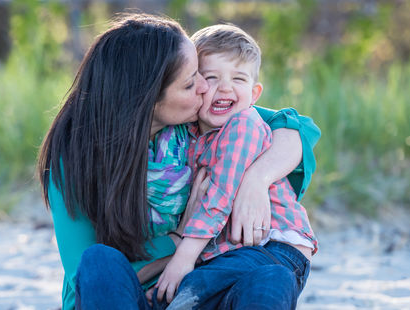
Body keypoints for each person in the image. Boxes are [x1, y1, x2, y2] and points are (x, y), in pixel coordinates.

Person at [37, 14, 320, 310]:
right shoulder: (73, 161)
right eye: (191, 82)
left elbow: (294, 128)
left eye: (200, 73)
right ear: (147, 100)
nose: (204, 88)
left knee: (272, 279)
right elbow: (82, 278)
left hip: (197, 293)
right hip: (128, 298)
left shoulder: (198, 120)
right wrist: (178, 239)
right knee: (98, 260)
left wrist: (255, 179)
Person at [153, 24, 318, 309]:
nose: (225, 87)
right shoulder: (191, 135)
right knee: (210, 284)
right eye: (211, 77)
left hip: (277, 248)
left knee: (194, 283)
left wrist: (183, 256)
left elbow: (218, 195)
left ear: (254, 94)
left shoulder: (243, 125)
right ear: (195, 85)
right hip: (237, 253)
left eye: (238, 79)